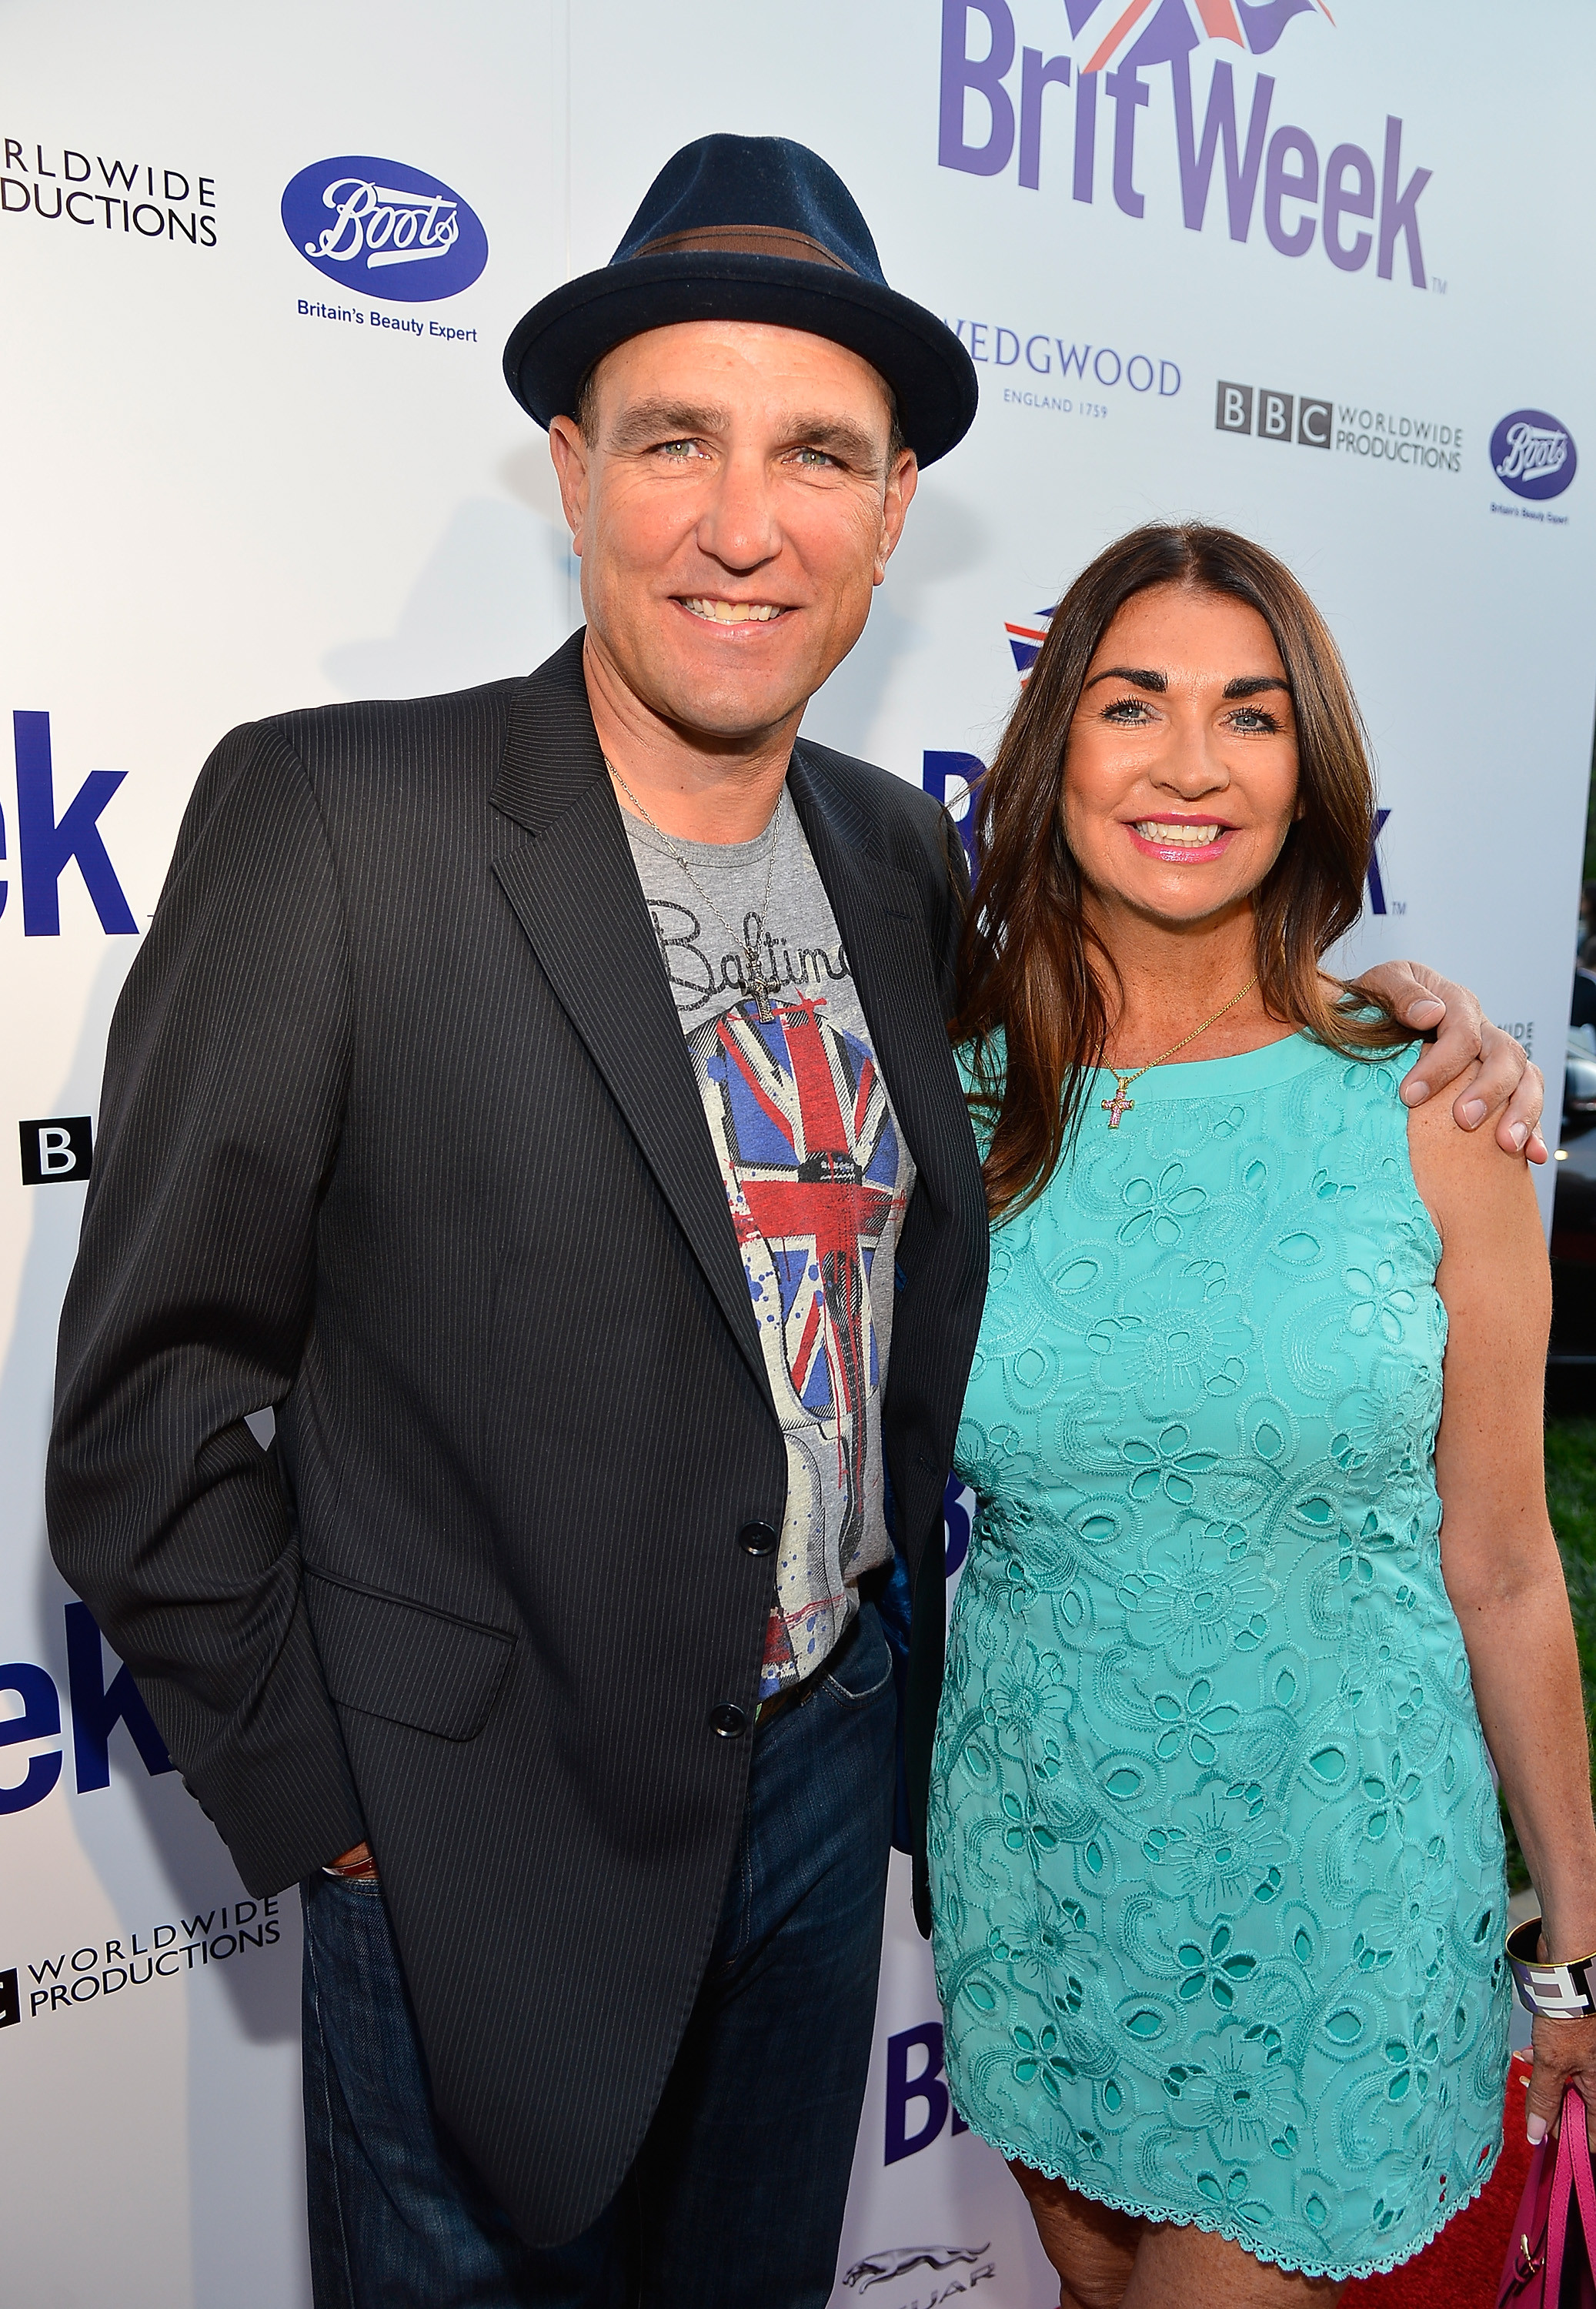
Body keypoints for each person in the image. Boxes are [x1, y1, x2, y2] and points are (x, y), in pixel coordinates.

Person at [45, 133, 1540, 2309]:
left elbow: (1142, 1053)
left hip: (833, 1783)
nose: (743, 525)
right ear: (573, 473)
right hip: (483, 1834)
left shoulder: (891, 860)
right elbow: (149, 1408)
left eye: (818, 456)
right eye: (677, 440)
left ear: (893, 511)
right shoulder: (334, 816)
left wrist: (1410, 1018)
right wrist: (337, 1811)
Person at [927, 523, 1594, 2309]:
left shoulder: (1430, 1104)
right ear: (1053, 747)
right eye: (1131, 704)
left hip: (1334, 1896)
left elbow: (1503, 1561)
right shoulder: (954, 1100)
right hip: (1042, 1871)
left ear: (1310, 779)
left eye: (1248, 715)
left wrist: (1574, 1940)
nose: (1189, 765)